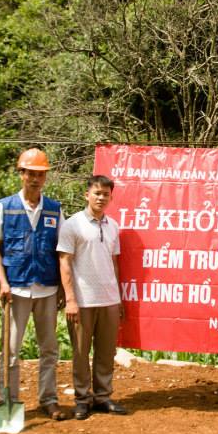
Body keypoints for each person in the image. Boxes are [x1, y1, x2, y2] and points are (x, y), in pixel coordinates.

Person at [0, 148, 67, 421]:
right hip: (16, 288)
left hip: (46, 287)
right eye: (30, 173)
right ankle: (7, 400)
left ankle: (49, 399)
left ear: (45, 177)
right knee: (11, 350)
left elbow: (61, 252)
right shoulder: (5, 207)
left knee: (49, 349)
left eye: (40, 174)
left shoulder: (55, 209)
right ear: (21, 174)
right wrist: (2, 282)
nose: (35, 179)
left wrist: (64, 291)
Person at [58, 175, 128, 420]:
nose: (101, 198)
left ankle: (103, 396)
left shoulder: (113, 226)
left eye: (105, 194)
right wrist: (70, 300)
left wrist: (118, 297)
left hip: (108, 299)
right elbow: (64, 263)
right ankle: (82, 399)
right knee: (80, 352)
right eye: (96, 193)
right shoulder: (72, 225)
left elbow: (114, 263)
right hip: (82, 300)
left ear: (111, 197)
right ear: (86, 194)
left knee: (106, 352)